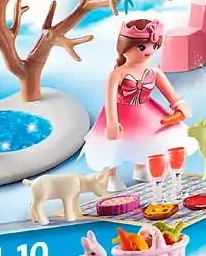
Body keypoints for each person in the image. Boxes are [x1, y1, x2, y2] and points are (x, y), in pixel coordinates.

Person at [81, 18, 194, 186]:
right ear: (124, 47)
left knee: (147, 139)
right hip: (120, 114)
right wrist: (112, 122)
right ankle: (111, 176)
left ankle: (140, 168)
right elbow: (109, 99)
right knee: (114, 145)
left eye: (154, 46)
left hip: (146, 112)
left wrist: (179, 105)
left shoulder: (154, 71)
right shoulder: (117, 74)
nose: (149, 51)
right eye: (142, 47)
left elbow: (170, 94)